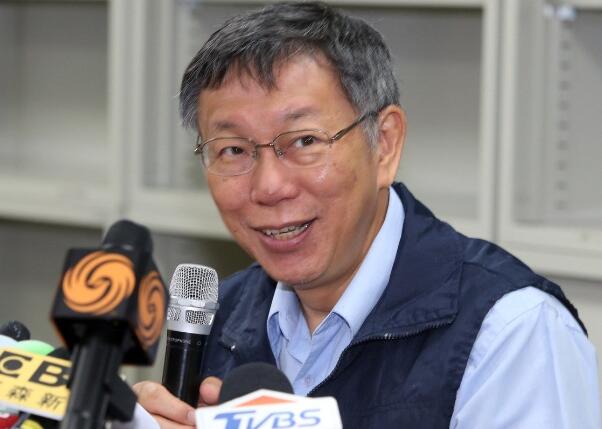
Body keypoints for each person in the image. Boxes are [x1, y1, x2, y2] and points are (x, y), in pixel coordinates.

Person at [132, 2, 601, 428]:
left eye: (305, 141)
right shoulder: (220, 315)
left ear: (385, 144)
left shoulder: (511, 333)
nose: (269, 187)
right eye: (233, 149)